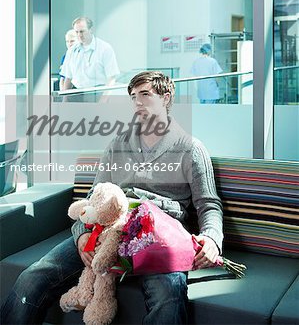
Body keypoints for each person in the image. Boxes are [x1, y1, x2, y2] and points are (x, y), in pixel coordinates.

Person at [1, 71, 223, 325]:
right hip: (107, 230)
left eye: (145, 95)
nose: (137, 102)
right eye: (132, 97)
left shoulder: (191, 148)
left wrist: (212, 239)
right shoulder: (117, 145)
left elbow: (208, 204)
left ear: (166, 97)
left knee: (168, 296)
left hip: (157, 237)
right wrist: (83, 233)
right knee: (34, 276)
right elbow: (94, 197)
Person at [60, 16, 120, 92]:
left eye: (82, 31)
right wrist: (64, 101)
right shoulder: (71, 51)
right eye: (77, 32)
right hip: (76, 92)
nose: (79, 35)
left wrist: (103, 101)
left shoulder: (105, 48)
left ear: (91, 30)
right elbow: (68, 78)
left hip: (97, 92)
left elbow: (111, 79)